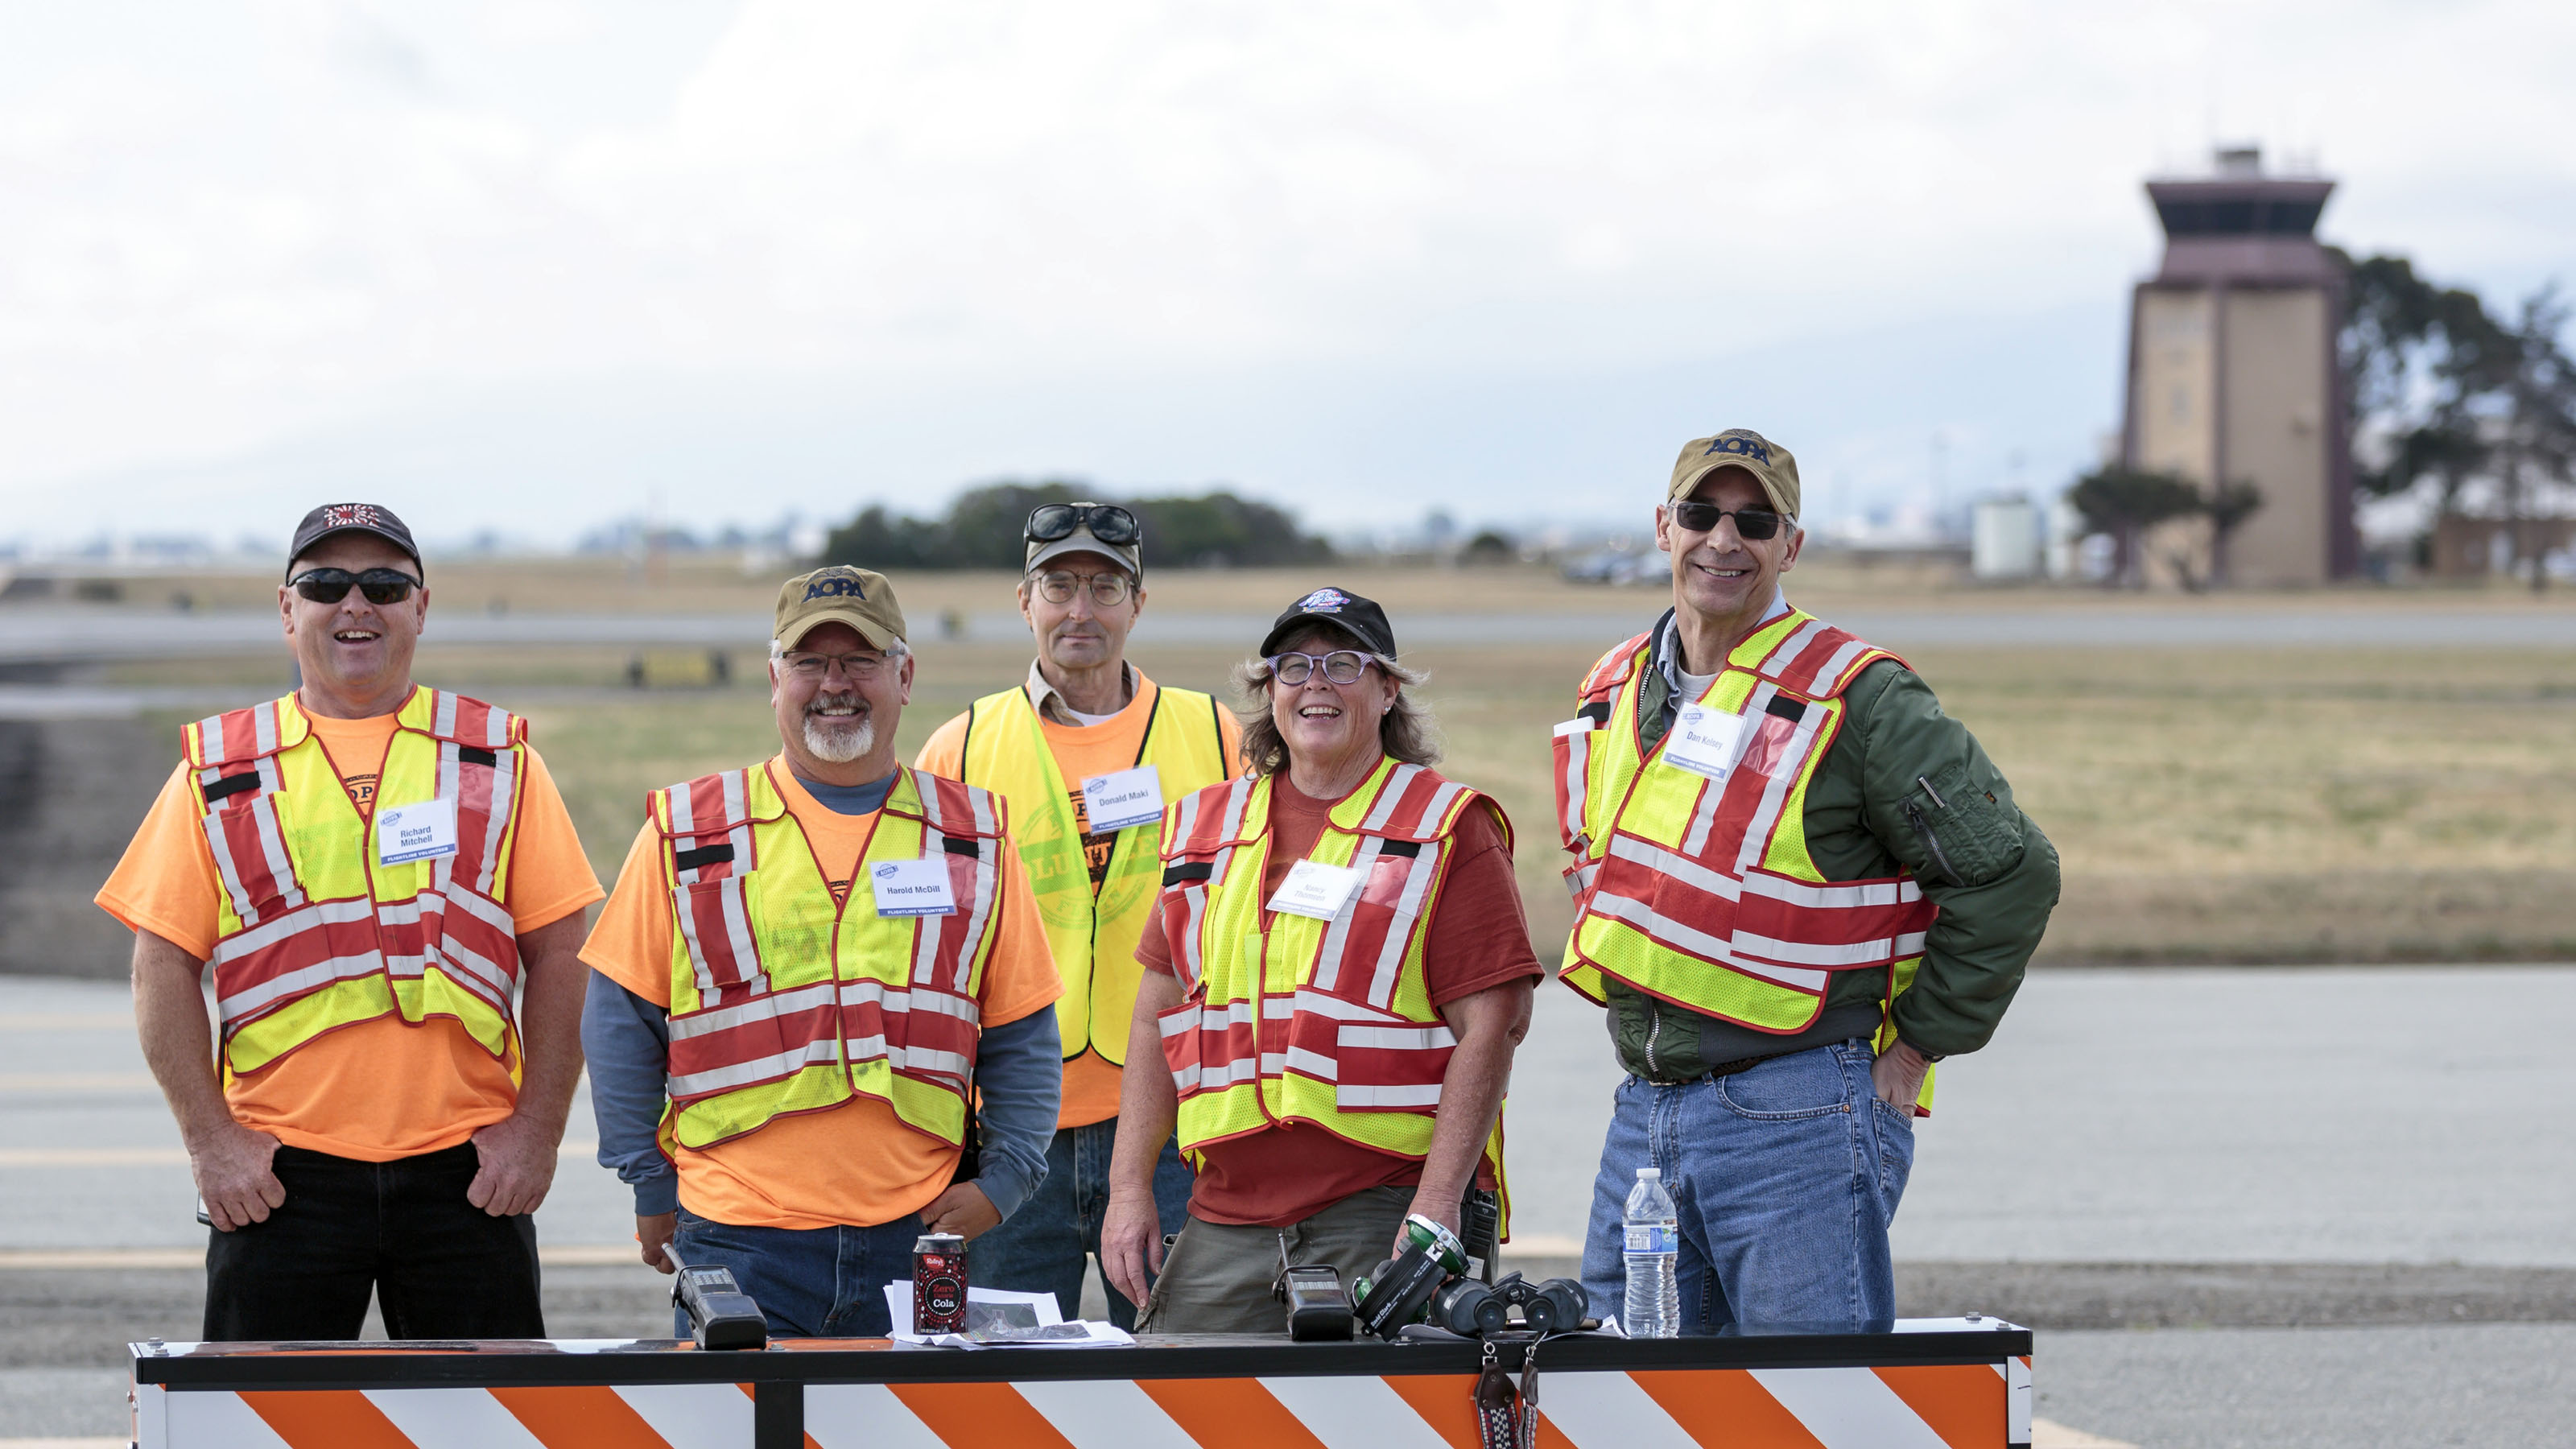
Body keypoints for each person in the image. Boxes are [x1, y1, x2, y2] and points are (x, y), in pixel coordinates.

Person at [1555, 428, 2060, 1329]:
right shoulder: (1613, 686)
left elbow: (2010, 873)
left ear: (1790, 547)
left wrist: (1913, 1052)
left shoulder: (1854, 696)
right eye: (1702, 513)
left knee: (1812, 1413)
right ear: (1663, 527)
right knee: (1629, 1413)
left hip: (1797, 1113)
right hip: (1644, 1114)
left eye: (1755, 522)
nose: (1723, 540)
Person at [97, 503, 601, 1341]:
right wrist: (212, 1144)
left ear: (421, 607)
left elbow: (561, 954)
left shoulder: (497, 761)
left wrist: (536, 1135)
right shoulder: (221, 771)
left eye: (384, 584)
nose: (356, 604)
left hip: (467, 1175)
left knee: (485, 1427)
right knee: (262, 1427)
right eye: (327, 583)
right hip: (280, 1179)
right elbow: (161, 967)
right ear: (289, 610)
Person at [579, 565, 1063, 1337]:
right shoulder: (690, 833)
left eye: (860, 661)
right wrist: (649, 1184)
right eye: (810, 662)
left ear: (905, 676)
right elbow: (619, 1021)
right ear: (775, 679)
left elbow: (1022, 1033)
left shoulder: (973, 837)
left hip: (918, 1235)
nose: (835, 684)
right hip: (738, 1243)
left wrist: (1005, 1183)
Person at [1100, 587, 1542, 1332]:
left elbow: (1493, 1025)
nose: (1316, 684)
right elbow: (1154, 1018)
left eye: (1343, 663)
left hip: (1380, 1209)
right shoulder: (1205, 828)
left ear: (1388, 688)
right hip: (1226, 1214)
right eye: (1294, 666)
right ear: (1268, 689)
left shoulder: (1443, 827)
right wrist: (1128, 1189)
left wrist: (1435, 1211)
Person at [914, 502, 1239, 1327]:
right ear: (1023, 601)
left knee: (1188, 1373)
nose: (1080, 609)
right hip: (1010, 1136)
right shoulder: (959, 747)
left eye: (1104, 586)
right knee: (993, 1385)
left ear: (1139, 603)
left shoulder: (1215, 734)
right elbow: (921, 951)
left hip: (1172, 1125)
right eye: (1057, 585)